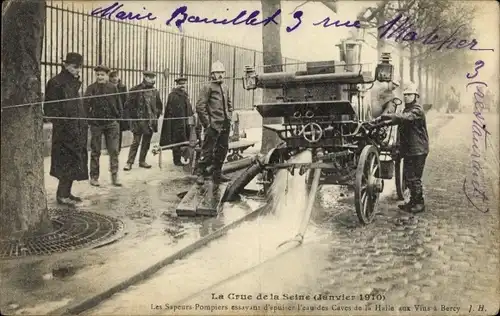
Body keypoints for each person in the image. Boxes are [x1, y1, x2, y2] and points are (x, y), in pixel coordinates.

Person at [43, 52, 89, 206]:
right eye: (75, 67)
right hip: (64, 131)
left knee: (74, 161)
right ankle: (62, 195)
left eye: (80, 67)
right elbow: (50, 109)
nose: (78, 70)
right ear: (66, 65)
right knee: (65, 161)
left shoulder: (71, 81)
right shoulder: (56, 82)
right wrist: (64, 123)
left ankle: (67, 192)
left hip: (75, 129)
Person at [378, 83, 429, 213]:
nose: (406, 97)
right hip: (409, 149)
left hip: (418, 149)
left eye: (409, 95)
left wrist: (390, 116)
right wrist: (383, 121)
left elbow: (405, 118)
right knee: (408, 176)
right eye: (405, 95)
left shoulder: (417, 110)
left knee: (414, 177)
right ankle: (412, 201)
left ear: (415, 96)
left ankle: (419, 203)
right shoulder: (406, 110)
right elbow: (400, 119)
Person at [195, 61, 233, 185]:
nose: (220, 75)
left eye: (222, 72)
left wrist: (229, 117)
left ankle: (217, 173)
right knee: (207, 150)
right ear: (212, 74)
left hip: (225, 124)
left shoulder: (226, 87)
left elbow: (229, 105)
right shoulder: (208, 87)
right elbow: (200, 107)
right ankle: (200, 173)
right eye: (217, 73)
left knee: (222, 149)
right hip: (213, 125)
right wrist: (207, 124)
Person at [84, 65, 123, 187]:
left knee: (114, 151)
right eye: (98, 75)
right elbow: (85, 106)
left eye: (102, 75)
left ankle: (115, 176)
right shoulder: (91, 89)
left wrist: (117, 119)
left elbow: (119, 104)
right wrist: (90, 120)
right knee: (95, 150)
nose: (100, 77)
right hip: (96, 125)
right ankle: (94, 177)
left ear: (107, 76)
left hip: (111, 124)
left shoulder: (113, 88)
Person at [123, 71, 163, 170]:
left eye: (153, 77)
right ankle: (129, 162)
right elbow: (128, 106)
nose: (152, 79)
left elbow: (159, 106)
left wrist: (155, 116)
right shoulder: (135, 90)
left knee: (146, 142)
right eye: (150, 77)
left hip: (150, 122)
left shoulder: (155, 91)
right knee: (135, 142)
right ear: (144, 77)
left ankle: (142, 161)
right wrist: (133, 119)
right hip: (138, 121)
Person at [159, 77, 193, 166]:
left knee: (184, 140)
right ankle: (176, 160)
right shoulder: (173, 95)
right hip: (176, 123)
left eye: (184, 84)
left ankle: (184, 158)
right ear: (177, 85)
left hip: (185, 122)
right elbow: (170, 111)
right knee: (177, 142)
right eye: (180, 84)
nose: (182, 86)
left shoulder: (185, 95)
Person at [109, 70, 129, 151]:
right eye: (112, 77)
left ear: (118, 77)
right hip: (111, 111)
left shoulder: (122, 87)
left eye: (116, 76)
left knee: (119, 130)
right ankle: (111, 148)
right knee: (110, 131)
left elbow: (126, 99)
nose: (114, 78)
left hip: (120, 111)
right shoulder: (108, 86)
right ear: (110, 78)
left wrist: (123, 111)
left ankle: (118, 148)